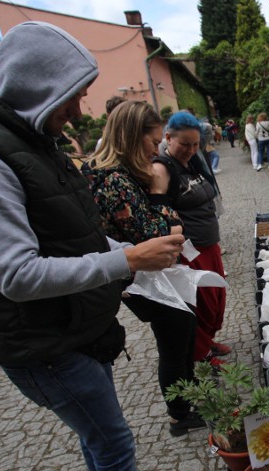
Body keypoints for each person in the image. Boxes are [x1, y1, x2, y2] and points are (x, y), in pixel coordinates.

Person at [0, 22, 220, 471]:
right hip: (41, 340)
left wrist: (128, 253)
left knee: (98, 436)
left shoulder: (27, 142)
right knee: (111, 439)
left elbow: (71, 231)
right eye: (72, 96)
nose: (79, 112)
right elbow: (15, 275)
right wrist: (126, 257)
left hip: (70, 328)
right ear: (34, 86)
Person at [85, 100, 205, 438]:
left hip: (151, 275)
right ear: (131, 136)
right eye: (153, 142)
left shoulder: (115, 173)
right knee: (174, 339)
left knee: (184, 330)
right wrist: (158, 196)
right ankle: (179, 415)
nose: (157, 149)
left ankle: (191, 400)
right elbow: (159, 234)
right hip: (145, 279)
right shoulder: (113, 179)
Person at [153, 112, 230, 369]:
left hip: (210, 245)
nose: (190, 149)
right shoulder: (162, 168)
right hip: (190, 251)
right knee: (202, 303)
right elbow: (158, 210)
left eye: (195, 144)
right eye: (184, 144)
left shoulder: (193, 162)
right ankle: (201, 352)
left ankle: (207, 341)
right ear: (168, 138)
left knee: (217, 299)